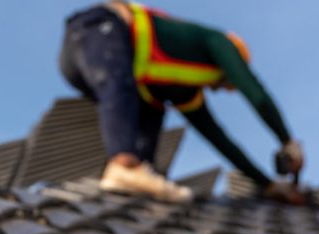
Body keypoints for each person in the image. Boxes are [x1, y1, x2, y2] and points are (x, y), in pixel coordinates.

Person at [59, 1, 304, 203]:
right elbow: (255, 94)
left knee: (152, 106)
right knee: (119, 85)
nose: (220, 89)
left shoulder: (182, 89)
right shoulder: (220, 42)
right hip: (97, 30)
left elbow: (219, 138)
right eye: (226, 83)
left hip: (89, 62)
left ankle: (141, 172)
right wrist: (287, 141)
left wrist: (268, 185)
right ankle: (124, 165)